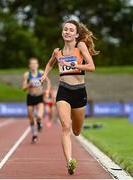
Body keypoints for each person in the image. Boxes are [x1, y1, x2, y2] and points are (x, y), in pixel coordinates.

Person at [40, 20, 99, 174]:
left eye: (71, 30)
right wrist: (44, 75)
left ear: (76, 34)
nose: (67, 32)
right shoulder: (57, 51)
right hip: (64, 90)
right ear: (62, 32)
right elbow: (50, 63)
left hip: (79, 91)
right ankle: (69, 161)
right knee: (65, 126)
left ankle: (74, 139)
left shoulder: (80, 47)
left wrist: (76, 66)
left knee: (77, 131)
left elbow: (92, 67)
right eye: (65, 29)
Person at [22, 57, 51, 143]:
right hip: (30, 97)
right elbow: (23, 88)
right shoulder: (27, 75)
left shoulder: (41, 73)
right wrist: (29, 85)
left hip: (39, 97)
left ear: (37, 65)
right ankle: (34, 134)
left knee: (39, 116)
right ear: (29, 65)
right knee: (31, 118)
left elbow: (48, 82)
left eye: (35, 63)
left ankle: (39, 123)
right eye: (32, 63)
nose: (34, 65)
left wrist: (47, 91)